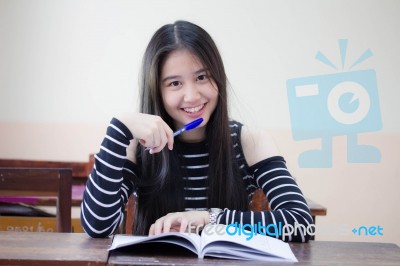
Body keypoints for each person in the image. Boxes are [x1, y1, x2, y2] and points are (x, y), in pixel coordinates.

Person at [81, 20, 314, 242]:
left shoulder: (250, 141)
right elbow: (97, 228)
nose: (192, 96)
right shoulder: (137, 144)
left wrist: (209, 219)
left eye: (202, 77)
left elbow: (301, 224)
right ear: (157, 92)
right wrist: (118, 128)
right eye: (175, 83)